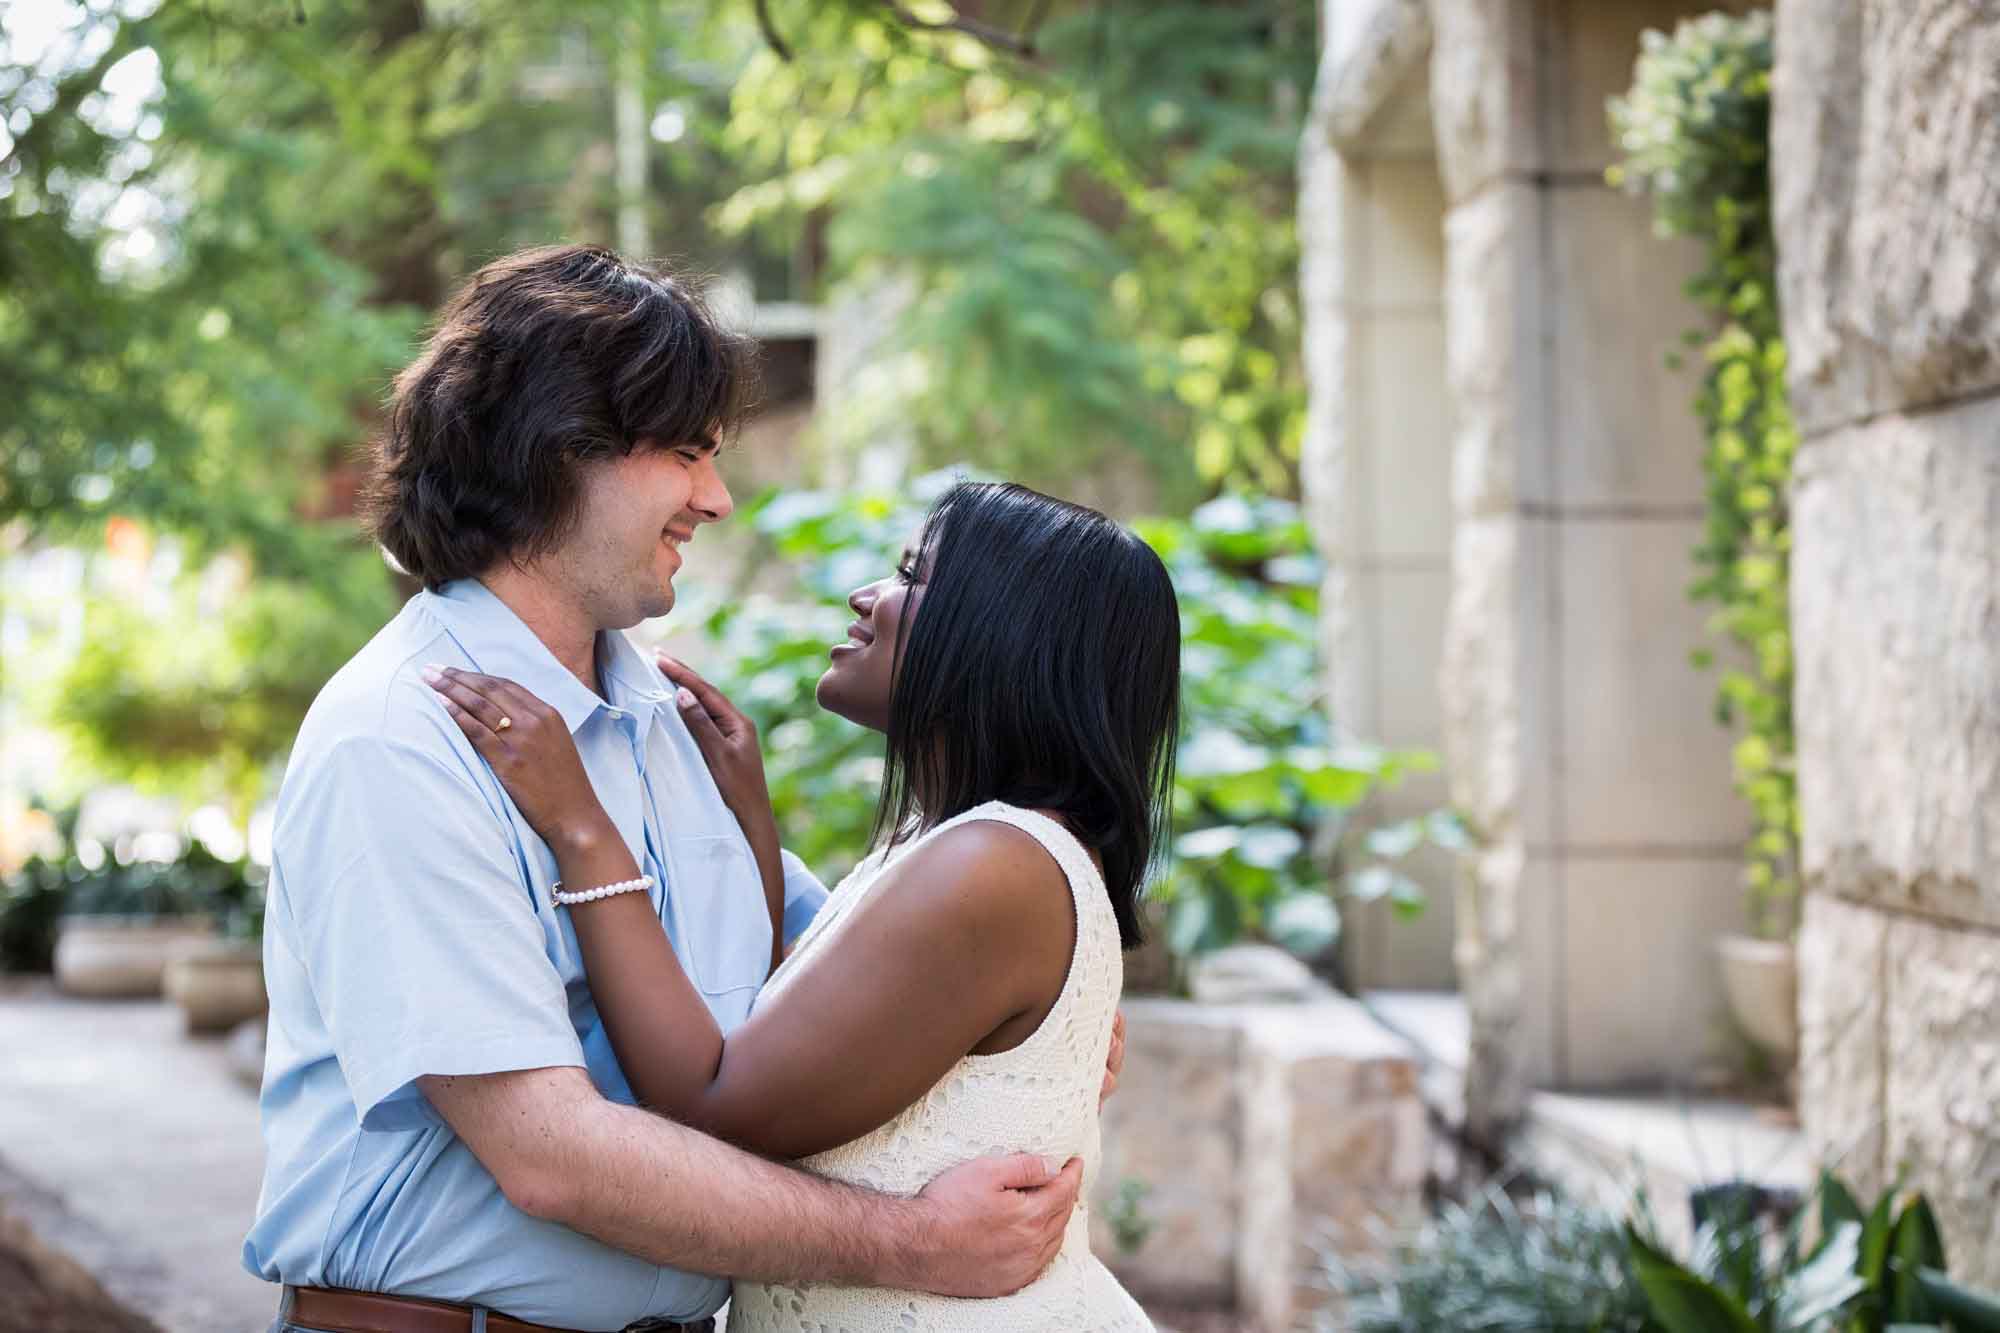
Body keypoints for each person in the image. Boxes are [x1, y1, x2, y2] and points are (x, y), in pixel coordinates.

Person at [243, 246, 1106, 1333]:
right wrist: (914, 1243)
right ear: (560, 450)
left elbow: (833, 978)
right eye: (688, 452)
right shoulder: (403, 738)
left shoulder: (665, 716)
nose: (717, 495)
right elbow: (547, 1153)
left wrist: (1032, 1022)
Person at [424, 479, 1179, 1329]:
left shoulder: (992, 865)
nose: (868, 596)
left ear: (1007, 635)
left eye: (911, 578)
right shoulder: (963, 846)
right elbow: (805, 1048)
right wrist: (750, 819)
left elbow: (715, 1104)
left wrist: (581, 827)